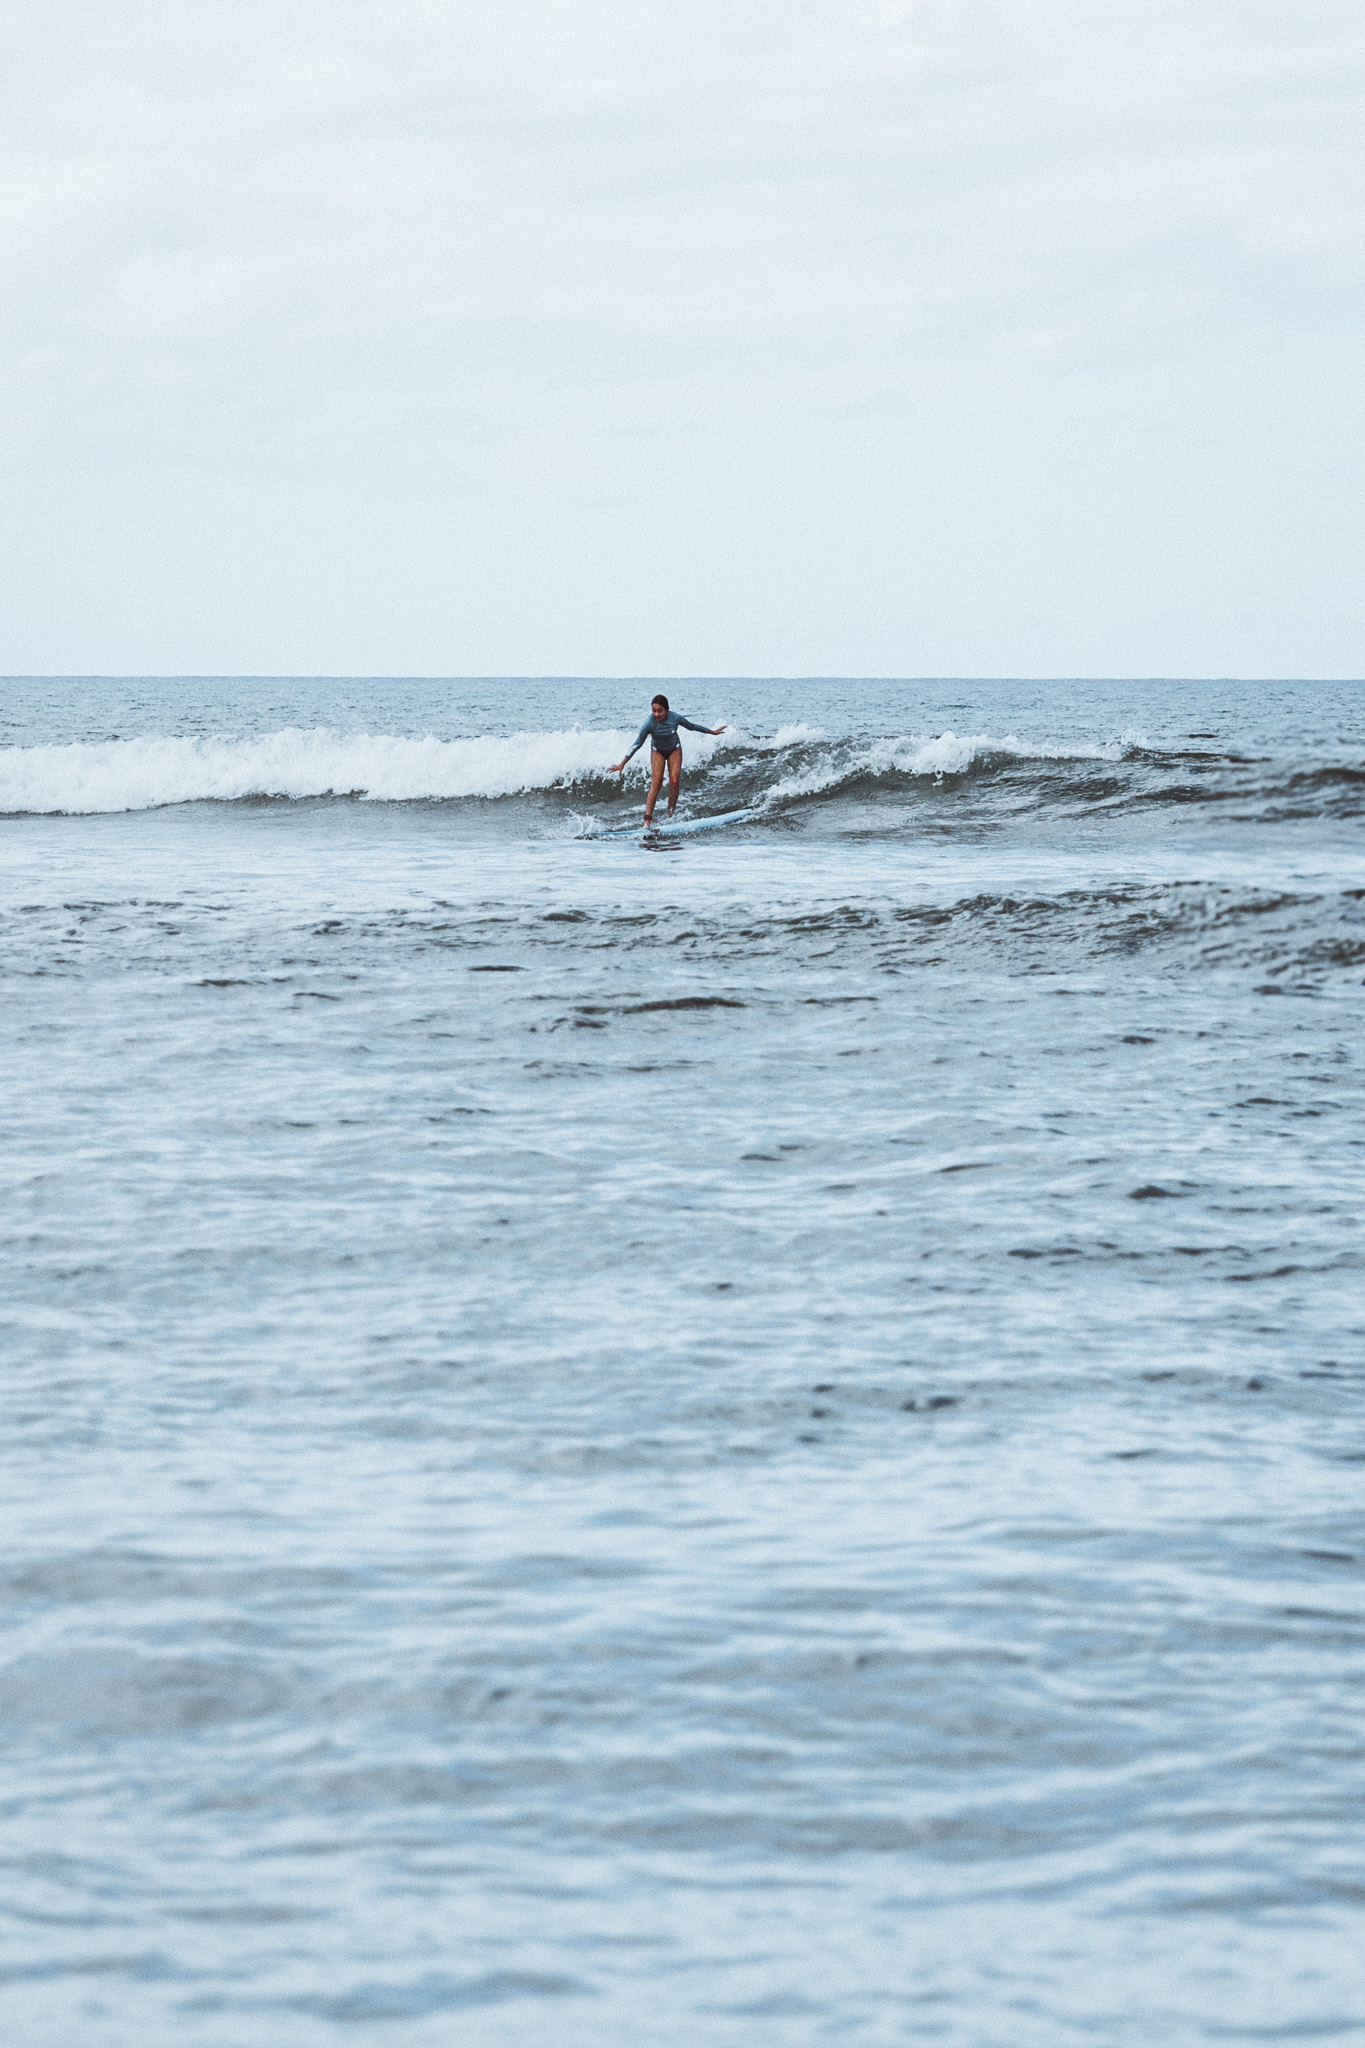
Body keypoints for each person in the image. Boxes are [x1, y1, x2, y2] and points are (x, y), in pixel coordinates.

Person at [609, 694, 727, 824]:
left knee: (675, 780)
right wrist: (622, 763)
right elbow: (637, 744)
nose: (656, 714)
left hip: (674, 749)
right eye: (654, 711)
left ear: (667, 709)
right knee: (656, 783)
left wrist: (712, 732)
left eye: (660, 711)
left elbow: (692, 726)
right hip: (657, 751)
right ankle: (647, 820)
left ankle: (671, 815)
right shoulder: (649, 724)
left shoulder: (675, 718)